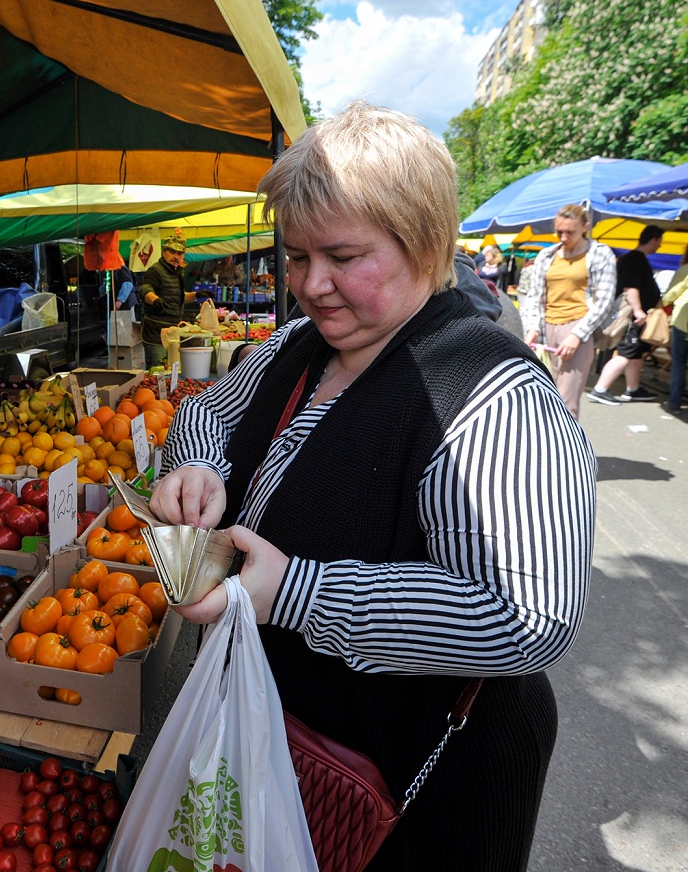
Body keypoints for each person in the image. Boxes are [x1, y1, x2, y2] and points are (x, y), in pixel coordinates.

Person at [151, 103, 593, 871]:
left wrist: (291, 592)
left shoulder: (493, 394)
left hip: (412, 788)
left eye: (342, 256)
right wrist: (198, 468)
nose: (310, 285)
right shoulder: (298, 344)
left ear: (423, 242)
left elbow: (528, 617)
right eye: (295, 258)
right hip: (281, 745)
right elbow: (208, 417)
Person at [519, 204, 618, 419]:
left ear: (585, 227)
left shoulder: (600, 254)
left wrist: (577, 335)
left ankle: (565, 450)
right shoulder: (547, 255)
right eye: (559, 232)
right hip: (545, 328)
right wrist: (532, 329)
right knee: (542, 394)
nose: (563, 237)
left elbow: (604, 300)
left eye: (570, 232)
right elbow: (534, 296)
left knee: (565, 402)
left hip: (577, 327)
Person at [587, 226, 665, 405]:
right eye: (659, 242)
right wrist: (638, 311)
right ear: (653, 240)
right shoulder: (635, 260)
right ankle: (600, 389)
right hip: (631, 317)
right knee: (626, 352)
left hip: (633, 317)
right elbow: (630, 288)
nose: (659, 247)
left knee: (635, 353)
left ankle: (633, 389)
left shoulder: (630, 259)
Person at [139, 230, 200, 367]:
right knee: (158, 372)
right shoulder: (156, 270)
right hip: (156, 335)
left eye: (179, 254)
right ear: (163, 252)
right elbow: (145, 289)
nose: (176, 257)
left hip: (173, 333)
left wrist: (196, 295)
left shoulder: (178, 272)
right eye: (172, 252)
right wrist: (154, 300)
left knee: (171, 372)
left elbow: (178, 297)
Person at [659, 248, 688, 413]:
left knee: (679, 363)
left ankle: (674, 402)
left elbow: (669, 295)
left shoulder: (684, 271)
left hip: (683, 322)